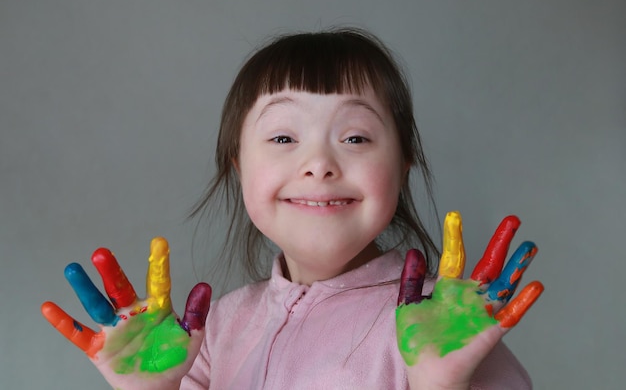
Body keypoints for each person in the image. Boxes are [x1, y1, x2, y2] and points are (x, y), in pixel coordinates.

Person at [41, 28, 543, 389]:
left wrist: (441, 385)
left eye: (355, 137)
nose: (319, 164)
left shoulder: (451, 326)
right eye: (283, 137)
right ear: (238, 165)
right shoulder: (213, 333)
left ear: (405, 162)